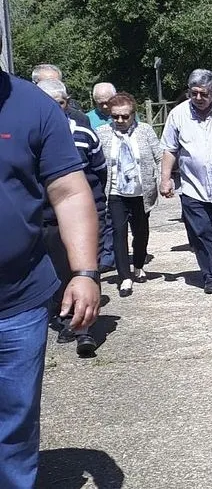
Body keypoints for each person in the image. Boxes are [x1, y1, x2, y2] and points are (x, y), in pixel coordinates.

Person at [0, 60, 100, 489]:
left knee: (14, 426)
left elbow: (70, 191)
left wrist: (85, 272)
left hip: (16, 302)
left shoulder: (33, 107)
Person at [36, 79, 106, 358]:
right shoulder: (34, 133)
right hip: (46, 218)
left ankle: (84, 331)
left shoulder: (82, 131)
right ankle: (66, 317)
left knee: (86, 269)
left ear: (68, 102)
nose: (56, 109)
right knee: (60, 272)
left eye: (61, 103)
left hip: (81, 213)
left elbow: (100, 171)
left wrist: (97, 207)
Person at [160, 69, 212, 294]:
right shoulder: (178, 114)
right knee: (201, 234)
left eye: (203, 94)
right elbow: (169, 148)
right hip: (193, 187)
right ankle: (210, 275)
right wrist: (165, 179)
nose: (197, 98)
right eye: (193, 93)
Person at [97, 93, 164, 298]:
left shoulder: (145, 131)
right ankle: (124, 276)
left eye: (125, 116)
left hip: (140, 192)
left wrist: (162, 180)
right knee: (118, 232)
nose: (119, 121)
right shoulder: (102, 133)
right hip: (116, 192)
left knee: (141, 232)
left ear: (133, 114)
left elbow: (159, 157)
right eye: (115, 116)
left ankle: (139, 265)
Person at [31, 63, 91, 128]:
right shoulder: (22, 112)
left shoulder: (79, 118)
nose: (51, 87)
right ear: (34, 84)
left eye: (56, 83)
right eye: (46, 83)